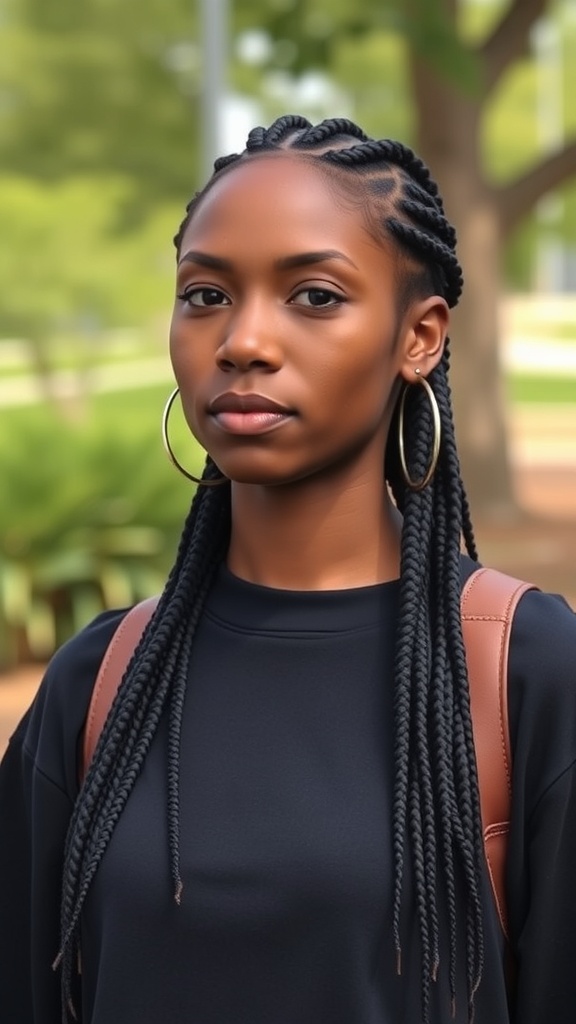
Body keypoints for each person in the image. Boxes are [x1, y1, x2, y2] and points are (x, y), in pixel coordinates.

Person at [1, 114, 575, 1024]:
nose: (243, 342)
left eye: (313, 295)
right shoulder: (101, 682)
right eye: (206, 295)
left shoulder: (528, 671)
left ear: (419, 336)